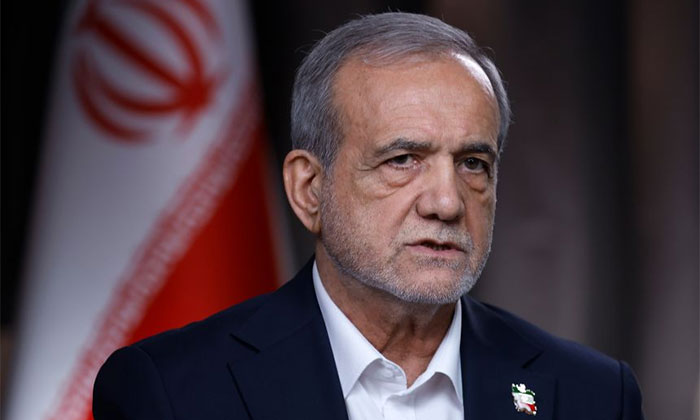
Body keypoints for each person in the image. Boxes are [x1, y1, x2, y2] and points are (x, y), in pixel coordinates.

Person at [93, 12, 644, 419]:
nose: (447, 202)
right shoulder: (171, 391)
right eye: (403, 160)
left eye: (473, 164)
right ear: (309, 189)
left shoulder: (593, 395)